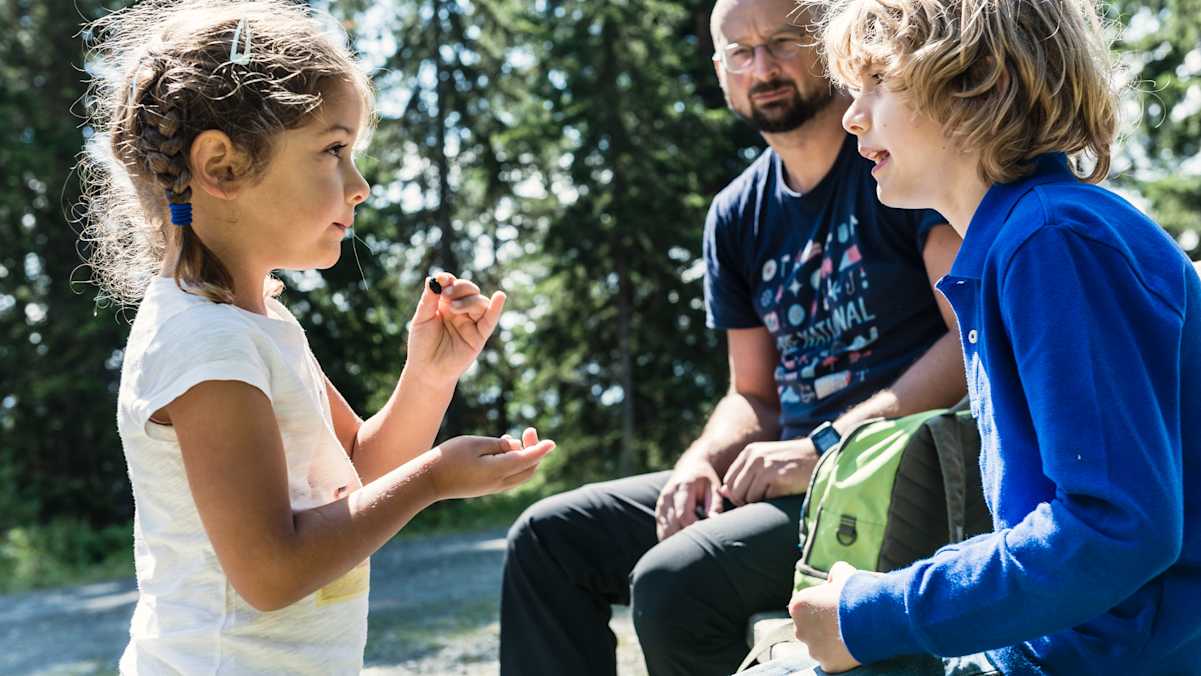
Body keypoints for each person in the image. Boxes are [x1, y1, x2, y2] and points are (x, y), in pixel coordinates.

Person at [77, 1, 554, 672]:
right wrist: (432, 480)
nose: (360, 186)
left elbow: (354, 471)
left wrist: (429, 375)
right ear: (222, 167)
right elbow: (271, 571)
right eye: (333, 151)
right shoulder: (204, 343)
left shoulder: (259, 324)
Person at [499, 0, 968, 673]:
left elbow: (969, 338)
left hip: (892, 477)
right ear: (719, 71)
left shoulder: (892, 166)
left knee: (674, 583)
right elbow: (752, 393)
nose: (762, 67)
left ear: (830, 46)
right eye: (739, 52)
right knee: (550, 538)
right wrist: (699, 461)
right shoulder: (735, 213)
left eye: (782, 41)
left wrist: (825, 449)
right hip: (790, 473)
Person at [750, 0, 1201, 674]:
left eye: (878, 81)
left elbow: (1114, 528)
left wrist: (870, 614)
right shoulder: (1025, 241)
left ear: (976, 84)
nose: (851, 116)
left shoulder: (1054, 242)